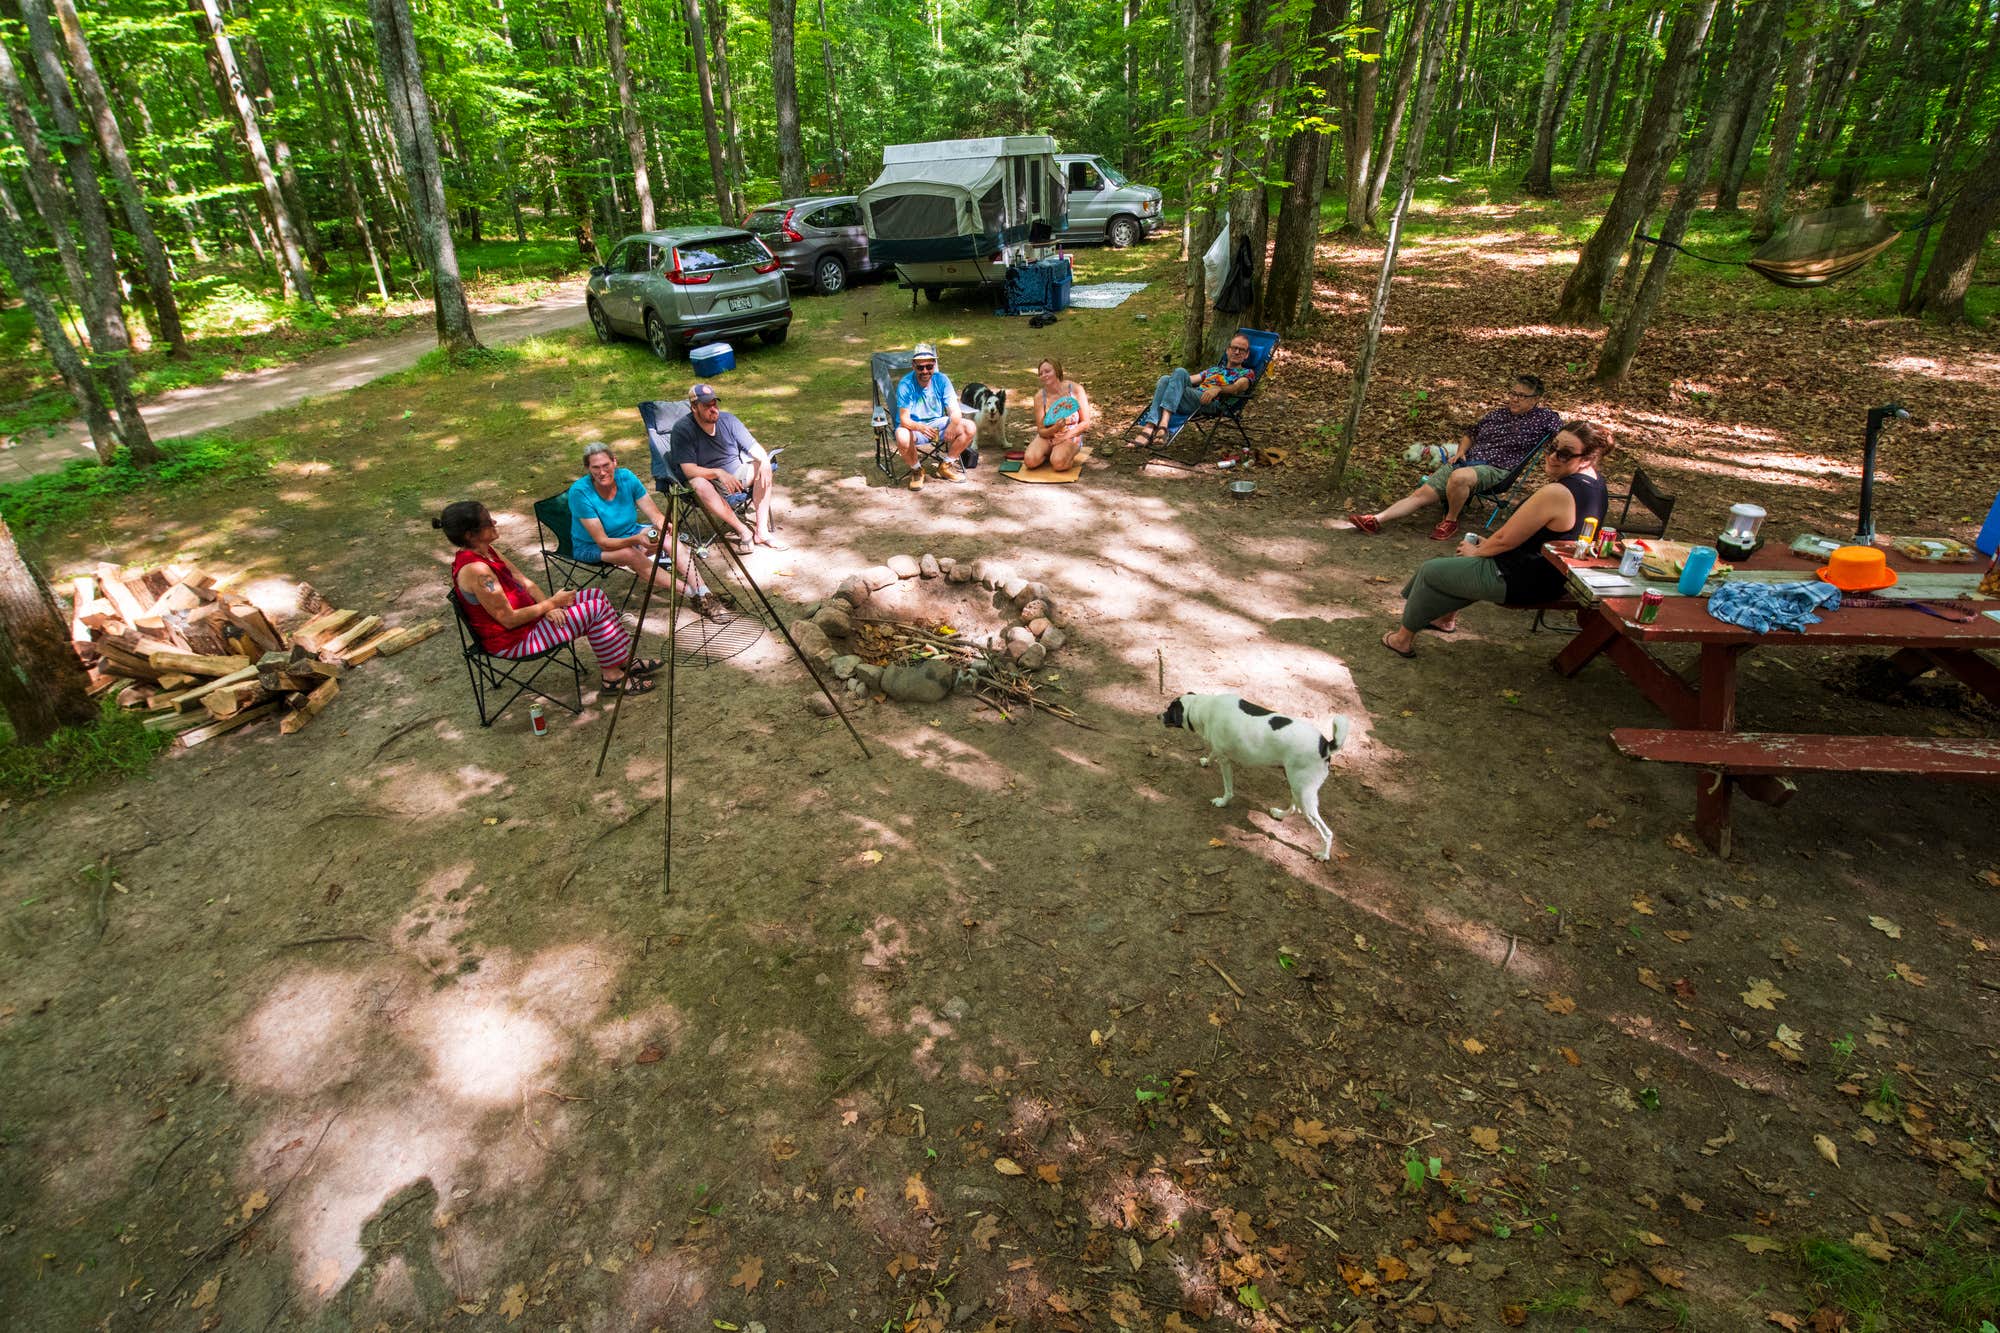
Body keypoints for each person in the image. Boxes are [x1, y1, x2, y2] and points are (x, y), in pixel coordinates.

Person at [1380, 421, 1612, 658]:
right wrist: (1486, 546)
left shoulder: (1556, 493)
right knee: (1461, 567)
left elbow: (1503, 540)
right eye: (1552, 447)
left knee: (1432, 571)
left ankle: (1402, 640)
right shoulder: (1596, 483)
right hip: (1552, 575)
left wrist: (1478, 551)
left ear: (1587, 458)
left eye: (1564, 454)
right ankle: (1444, 619)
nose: (1553, 456)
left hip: (1524, 578)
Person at [439, 500, 661, 695]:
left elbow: (526, 582)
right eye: (488, 521)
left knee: (596, 595)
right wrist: (551, 603)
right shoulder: (477, 571)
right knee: (594, 610)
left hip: (530, 622)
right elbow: (508, 619)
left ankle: (622, 660)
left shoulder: (488, 551)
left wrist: (548, 607)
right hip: (514, 640)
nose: (495, 522)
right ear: (470, 534)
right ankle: (611, 677)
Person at [1350, 374, 1562, 542]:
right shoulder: (1498, 414)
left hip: (1497, 468)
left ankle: (1450, 520)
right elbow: (1471, 433)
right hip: (1467, 461)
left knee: (1459, 477)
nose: (1514, 398)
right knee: (1421, 494)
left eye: (1522, 396)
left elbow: (1561, 436)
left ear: (1535, 399)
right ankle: (1376, 520)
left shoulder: (1545, 418)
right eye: (1512, 393)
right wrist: (1460, 451)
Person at [568, 442, 727, 621]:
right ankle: (693, 595)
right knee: (629, 553)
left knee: (668, 539)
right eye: (595, 468)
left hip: (630, 532)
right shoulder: (580, 493)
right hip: (592, 547)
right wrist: (638, 539)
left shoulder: (626, 478)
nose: (602, 472)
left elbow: (656, 516)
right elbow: (603, 542)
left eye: (606, 465)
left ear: (614, 462)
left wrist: (664, 525)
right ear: (587, 468)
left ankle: (705, 592)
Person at [667, 383, 788, 554]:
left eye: (714, 403)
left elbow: (754, 447)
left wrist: (765, 461)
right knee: (698, 483)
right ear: (694, 407)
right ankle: (743, 530)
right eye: (707, 405)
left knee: (762, 464)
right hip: (711, 483)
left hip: (737, 474)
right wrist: (718, 472)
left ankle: (761, 531)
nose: (713, 409)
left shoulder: (728, 420)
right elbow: (689, 470)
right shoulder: (682, 430)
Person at [1132, 333, 1257, 448]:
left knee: (1177, 374)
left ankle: (1153, 427)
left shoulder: (1247, 373)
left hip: (1211, 402)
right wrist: (1168, 383)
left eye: (1241, 350)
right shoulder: (1214, 370)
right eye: (1234, 348)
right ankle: (1157, 426)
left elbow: (1237, 388)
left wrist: (1218, 388)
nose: (1236, 351)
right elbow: (1187, 379)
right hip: (1192, 398)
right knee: (1166, 379)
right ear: (1227, 350)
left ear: (1246, 355)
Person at [894, 342, 975, 491]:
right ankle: (917, 470)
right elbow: (904, 419)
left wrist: (952, 425)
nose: (925, 371)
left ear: (934, 364)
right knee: (902, 436)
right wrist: (920, 427)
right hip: (914, 428)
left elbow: (955, 411)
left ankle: (945, 466)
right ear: (913, 366)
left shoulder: (942, 380)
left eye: (929, 366)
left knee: (969, 427)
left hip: (937, 427)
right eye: (920, 367)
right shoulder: (905, 384)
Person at [1024, 356, 1096, 472]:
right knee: (1030, 461)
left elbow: (1085, 423)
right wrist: (1055, 428)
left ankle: (1062, 454)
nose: (1044, 375)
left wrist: (1064, 437)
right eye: (1041, 373)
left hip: (1070, 434)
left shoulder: (1076, 389)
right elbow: (1041, 431)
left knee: (1059, 463)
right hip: (1049, 435)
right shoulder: (1039, 397)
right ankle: (1050, 453)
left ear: (1057, 371)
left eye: (1047, 371)